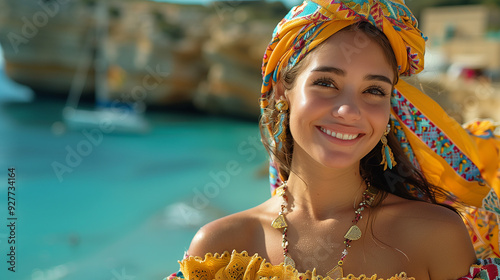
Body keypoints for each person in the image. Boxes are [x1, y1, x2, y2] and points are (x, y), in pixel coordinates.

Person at [165, 0, 500, 279]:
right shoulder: (219, 249)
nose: (348, 110)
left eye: (374, 90)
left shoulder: (436, 235)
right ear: (283, 89)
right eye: (326, 83)